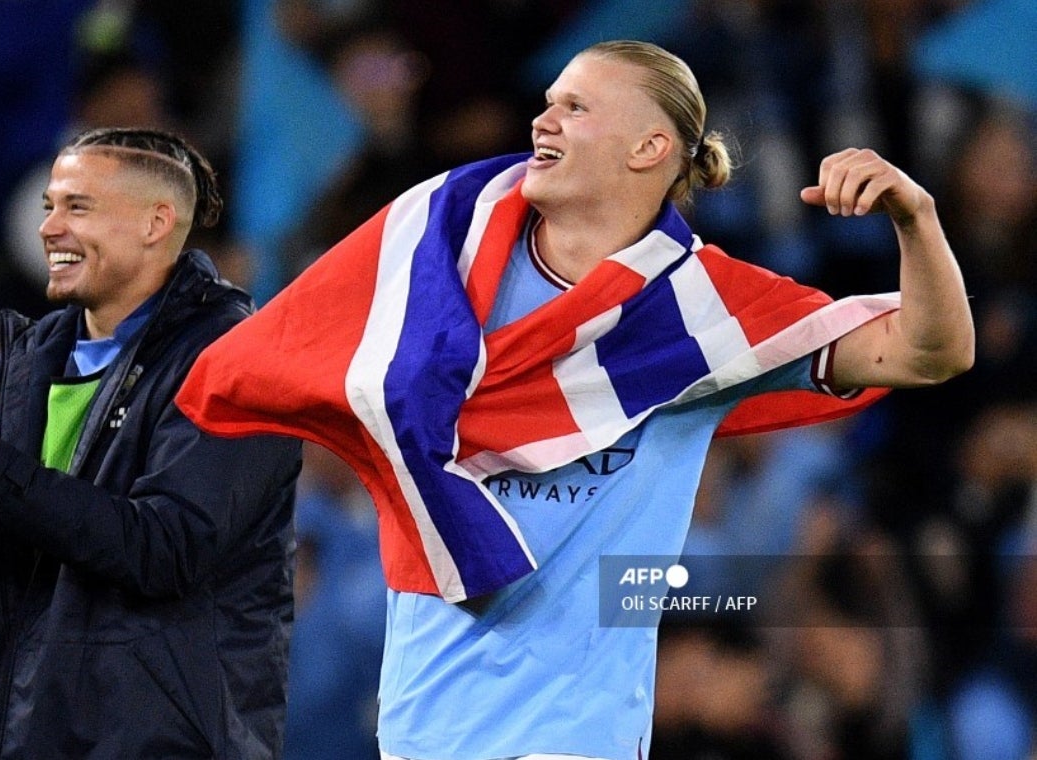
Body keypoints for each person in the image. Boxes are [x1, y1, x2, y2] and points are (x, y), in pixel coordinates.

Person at [176, 40, 973, 760]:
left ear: (649, 147)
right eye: (548, 100)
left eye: (575, 106)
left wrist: (916, 217)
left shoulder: (705, 314)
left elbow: (931, 352)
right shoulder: (433, 249)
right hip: (424, 723)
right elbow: (283, 362)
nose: (541, 119)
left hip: (576, 735)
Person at [0, 127, 303, 759]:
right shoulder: (16, 369)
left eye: (76, 207)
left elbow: (164, 548)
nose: (48, 228)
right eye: (49, 207)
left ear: (155, 223)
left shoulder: (236, 364)